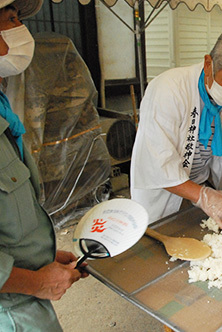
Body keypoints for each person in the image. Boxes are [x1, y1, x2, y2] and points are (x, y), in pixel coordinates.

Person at [0, 1, 86, 331]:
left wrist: (42, 262)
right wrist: (36, 282)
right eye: (11, 18)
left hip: (23, 295)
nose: (20, 28)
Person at [131, 28, 222, 228]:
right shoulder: (168, 89)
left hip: (203, 186)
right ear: (208, 64)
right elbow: (159, 163)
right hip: (164, 195)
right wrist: (203, 196)